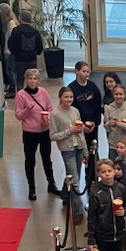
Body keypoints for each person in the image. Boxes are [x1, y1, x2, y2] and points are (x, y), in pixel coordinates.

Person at [13, 67, 57, 200]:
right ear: (26, 80)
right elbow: (18, 115)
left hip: (44, 131)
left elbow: (49, 108)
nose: (32, 81)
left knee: (47, 159)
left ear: (38, 80)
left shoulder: (43, 92)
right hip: (29, 132)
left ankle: (51, 184)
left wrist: (48, 117)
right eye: (30, 78)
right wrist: (27, 109)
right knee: (30, 160)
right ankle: (31, 188)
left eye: (35, 78)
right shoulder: (21, 95)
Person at [87, 159, 126, 251]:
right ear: (98, 173)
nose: (107, 174)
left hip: (118, 234)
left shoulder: (121, 188)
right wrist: (91, 239)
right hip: (102, 237)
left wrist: (125, 211)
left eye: (109, 171)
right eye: (103, 172)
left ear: (114, 171)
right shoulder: (95, 192)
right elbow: (92, 217)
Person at [48, 86, 86, 222]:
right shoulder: (55, 114)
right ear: (60, 98)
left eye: (71, 97)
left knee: (74, 176)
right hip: (67, 150)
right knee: (75, 181)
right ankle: (78, 211)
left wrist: (85, 150)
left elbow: (80, 132)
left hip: (79, 148)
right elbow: (53, 136)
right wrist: (70, 131)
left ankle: (65, 195)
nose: (69, 99)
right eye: (66, 97)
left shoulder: (75, 111)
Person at [68, 61, 102, 178]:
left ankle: (92, 179)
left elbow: (98, 106)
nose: (86, 74)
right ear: (77, 71)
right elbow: (70, 109)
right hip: (79, 127)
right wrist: (80, 125)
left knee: (93, 152)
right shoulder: (71, 88)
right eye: (83, 71)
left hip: (92, 126)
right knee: (80, 152)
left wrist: (95, 122)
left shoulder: (92, 87)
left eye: (88, 72)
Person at [7, 9, 43, 90]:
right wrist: (35, 53)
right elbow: (40, 47)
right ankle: (32, 94)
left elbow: (11, 45)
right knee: (32, 79)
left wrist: (15, 53)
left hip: (19, 60)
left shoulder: (16, 31)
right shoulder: (35, 31)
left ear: (20, 18)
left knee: (20, 80)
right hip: (32, 60)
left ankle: (21, 96)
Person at [103, 84, 126, 153]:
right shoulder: (109, 109)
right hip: (113, 146)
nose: (118, 97)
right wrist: (109, 123)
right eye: (116, 94)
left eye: (121, 94)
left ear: (124, 95)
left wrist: (122, 125)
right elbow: (106, 127)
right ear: (113, 95)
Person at [0, 3, 19, 95]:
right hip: (12, 51)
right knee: (11, 70)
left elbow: (10, 38)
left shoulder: (11, 24)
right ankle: (12, 88)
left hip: (11, 51)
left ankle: (13, 89)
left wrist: (7, 50)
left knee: (10, 70)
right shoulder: (11, 22)